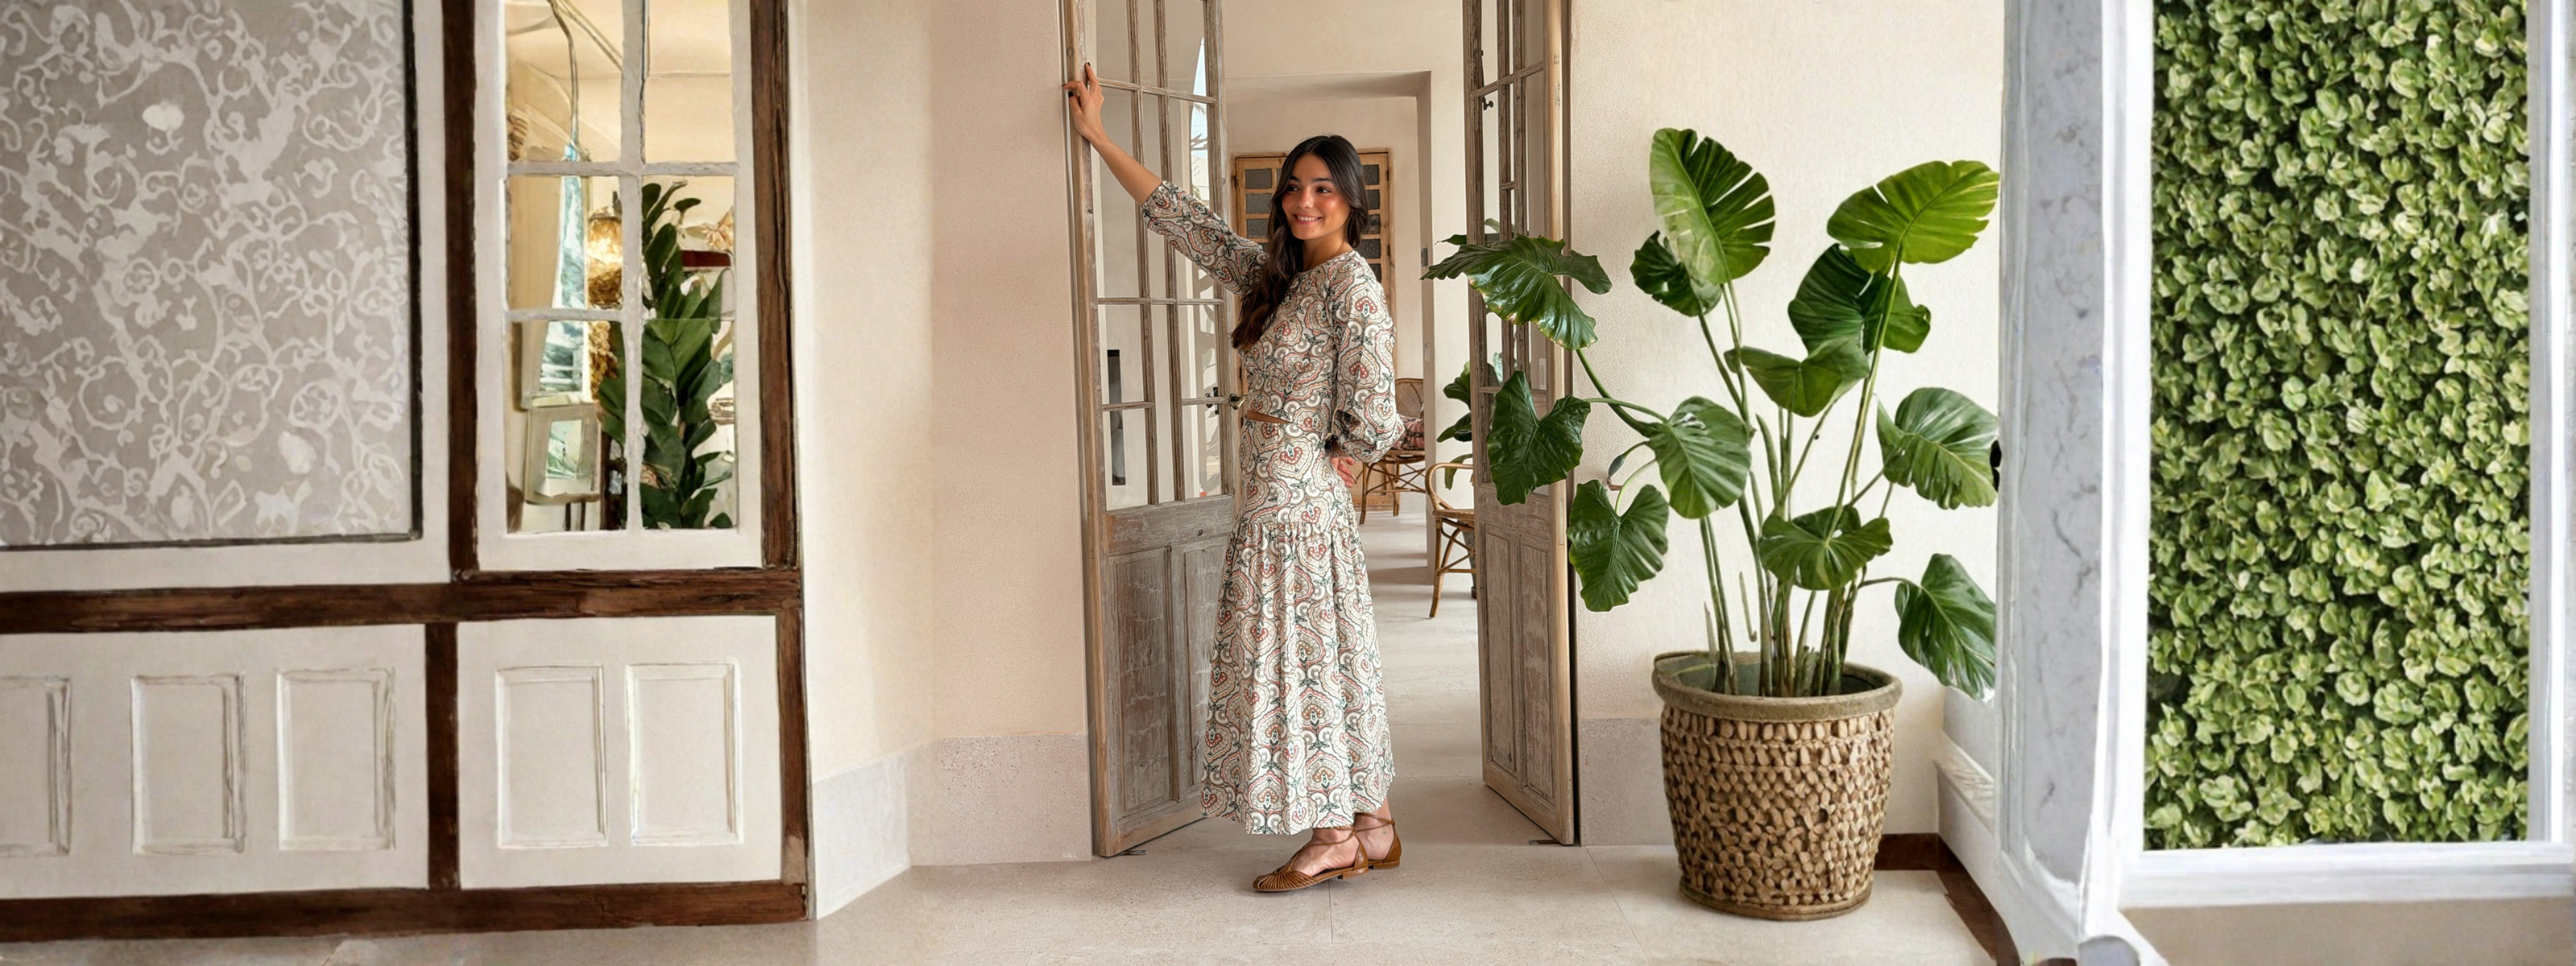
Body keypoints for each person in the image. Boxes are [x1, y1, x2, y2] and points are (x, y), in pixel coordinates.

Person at [1065, 64, 1406, 892]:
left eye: (1323, 189)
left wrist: (1344, 455)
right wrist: (1101, 138)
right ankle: (1371, 821)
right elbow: (1193, 228)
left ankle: (1331, 835)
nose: (1304, 202)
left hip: (1296, 510)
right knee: (1323, 657)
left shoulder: (1350, 286)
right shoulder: (1285, 278)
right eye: (1294, 188)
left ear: (1352, 199)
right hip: (1276, 503)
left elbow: (1375, 403)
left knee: (1301, 663)